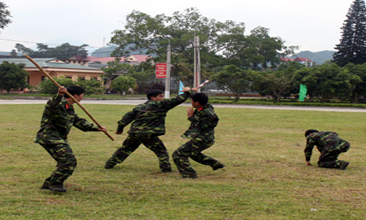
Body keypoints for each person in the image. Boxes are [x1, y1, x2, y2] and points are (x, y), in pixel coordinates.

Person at [35, 86, 107, 192]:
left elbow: (78, 122)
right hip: (49, 137)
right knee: (69, 160)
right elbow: (51, 106)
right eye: (82, 96)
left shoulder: (70, 108)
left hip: (58, 138)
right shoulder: (59, 104)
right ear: (75, 96)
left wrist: (97, 128)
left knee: (66, 160)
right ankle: (55, 184)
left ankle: (49, 183)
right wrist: (59, 94)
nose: (82, 98)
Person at [105, 87, 195, 172]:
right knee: (161, 151)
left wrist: (119, 129)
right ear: (153, 97)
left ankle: (110, 163)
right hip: (148, 133)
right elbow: (177, 100)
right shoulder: (160, 105)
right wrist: (188, 92)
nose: (162, 98)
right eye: (160, 96)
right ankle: (165, 168)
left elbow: (125, 118)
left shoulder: (139, 107)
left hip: (135, 132)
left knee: (125, 149)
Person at [172, 93, 224, 178]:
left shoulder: (208, 113)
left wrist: (191, 117)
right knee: (193, 153)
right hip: (203, 138)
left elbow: (204, 126)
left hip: (203, 139)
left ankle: (189, 175)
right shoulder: (202, 109)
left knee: (178, 154)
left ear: (197, 102)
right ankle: (215, 164)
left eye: (192, 101)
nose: (191, 103)